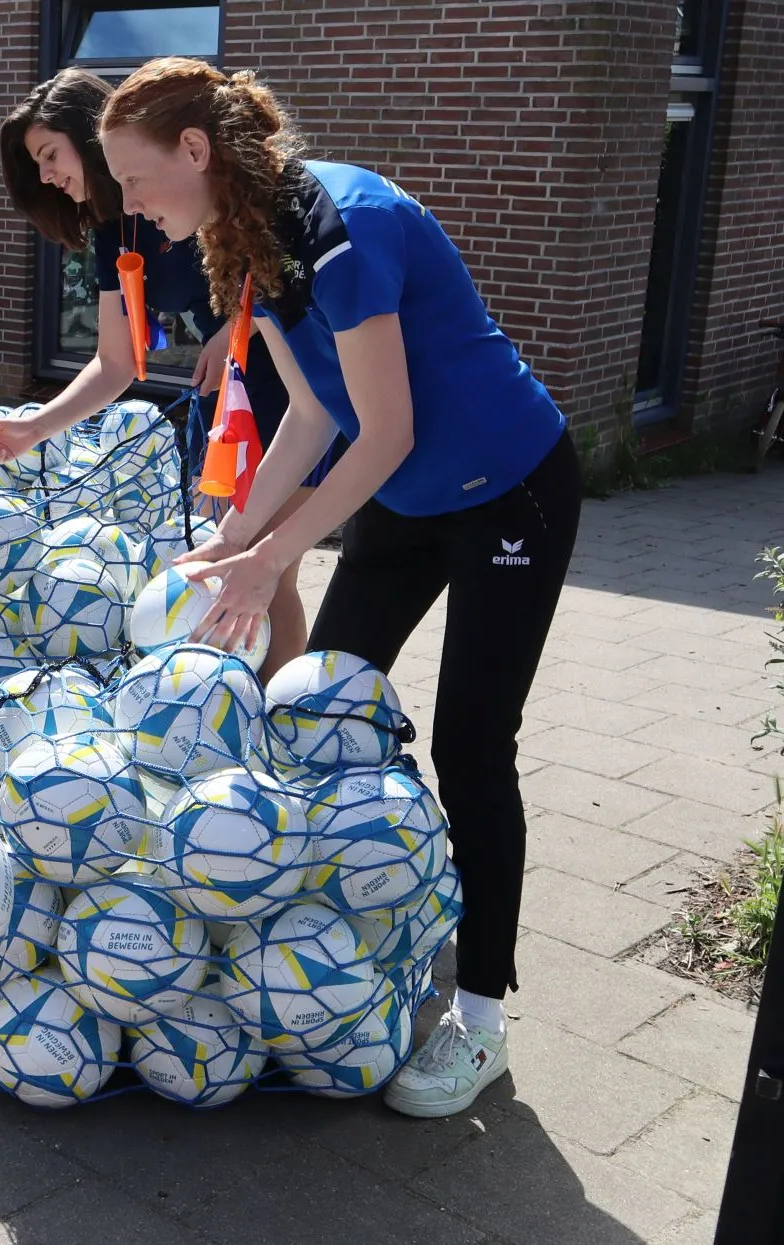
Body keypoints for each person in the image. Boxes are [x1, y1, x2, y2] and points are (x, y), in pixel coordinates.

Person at [100, 59, 583, 1119]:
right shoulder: (244, 238)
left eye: (133, 183)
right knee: (313, 705)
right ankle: (370, 915)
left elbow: (386, 426)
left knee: (468, 744)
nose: (126, 210)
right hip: (407, 499)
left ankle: (480, 1018)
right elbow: (310, 420)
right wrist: (226, 545)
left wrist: (274, 559)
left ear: (194, 153)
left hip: (509, 489)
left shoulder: (342, 221)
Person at [0, 67, 322, 671]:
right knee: (234, 572)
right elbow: (115, 364)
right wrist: (34, 428)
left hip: (288, 391)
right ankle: (228, 705)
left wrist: (230, 329)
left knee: (269, 572)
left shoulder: (196, 190)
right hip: (227, 402)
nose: (46, 176)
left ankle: (270, 721)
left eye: (50, 154)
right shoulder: (114, 234)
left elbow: (272, 276)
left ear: (93, 138)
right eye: (35, 165)